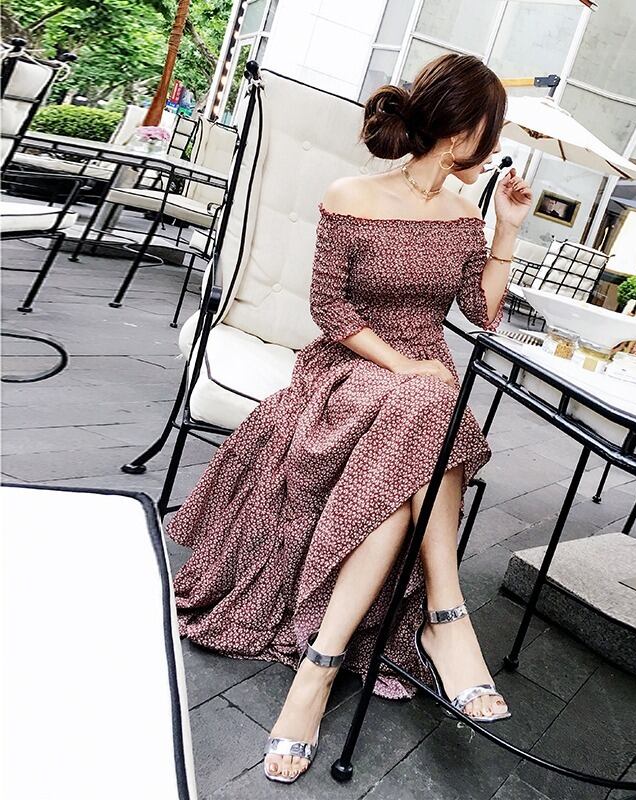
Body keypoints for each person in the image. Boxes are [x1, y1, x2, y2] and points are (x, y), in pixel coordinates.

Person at [166, 52, 532, 784]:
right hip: (350, 366)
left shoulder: (466, 216)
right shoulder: (351, 194)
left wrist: (507, 231)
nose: (492, 147)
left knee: (423, 418)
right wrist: (401, 364)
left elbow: (482, 315)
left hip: (422, 382)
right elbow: (328, 307)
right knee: (431, 408)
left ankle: (319, 668)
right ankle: (446, 617)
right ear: (463, 129)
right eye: (490, 130)